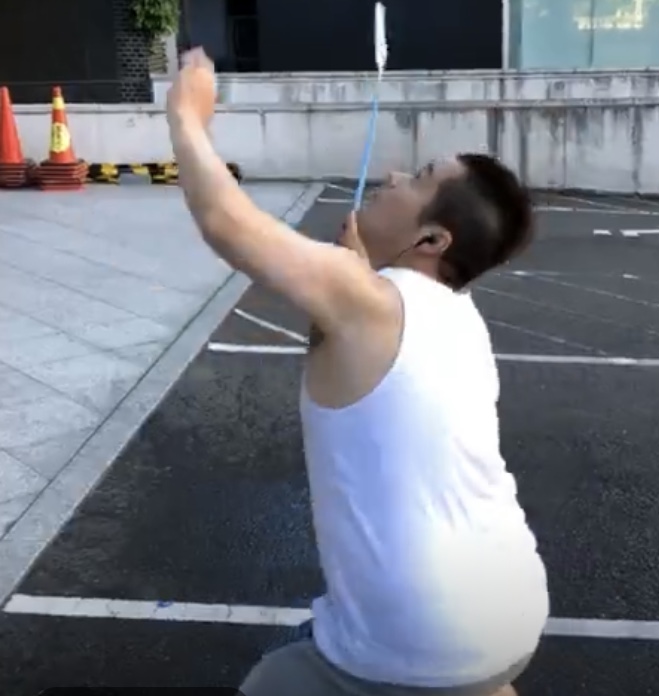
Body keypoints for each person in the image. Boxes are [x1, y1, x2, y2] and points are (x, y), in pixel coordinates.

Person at [167, 48, 549, 696]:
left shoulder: (366, 299)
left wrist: (186, 114)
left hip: (417, 644)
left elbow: (227, 223)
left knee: (273, 682)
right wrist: (358, 270)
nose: (394, 175)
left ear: (432, 241)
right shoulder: (458, 314)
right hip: (512, 612)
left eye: (419, 178)